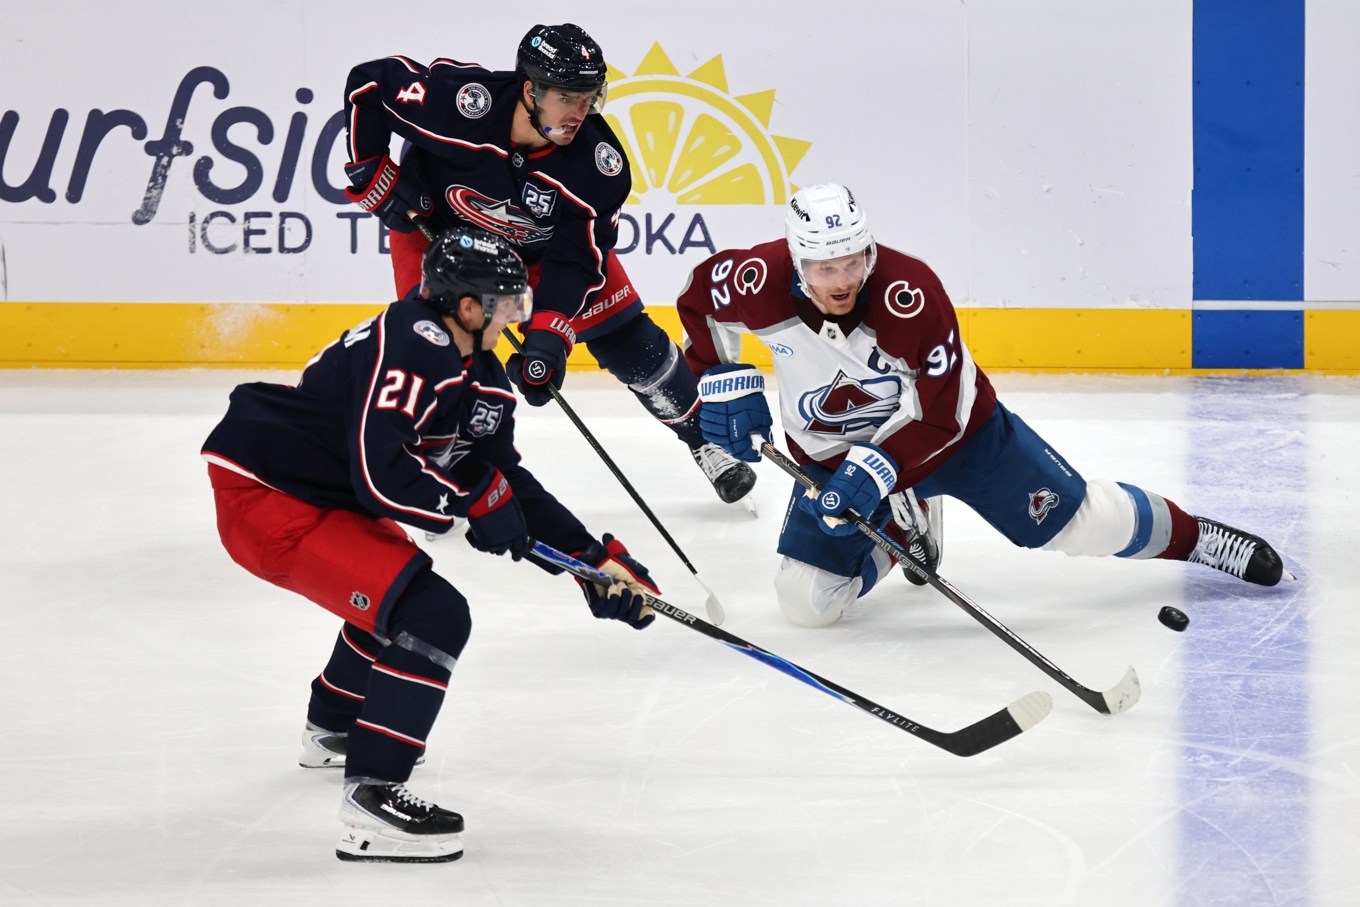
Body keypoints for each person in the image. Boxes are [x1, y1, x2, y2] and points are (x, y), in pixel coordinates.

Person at [201, 226, 658, 862]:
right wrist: (470, 507)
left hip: (320, 494)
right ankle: (373, 801)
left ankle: (332, 724)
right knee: (432, 613)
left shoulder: (482, 373)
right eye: (507, 302)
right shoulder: (414, 342)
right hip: (271, 494)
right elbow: (380, 471)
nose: (517, 314)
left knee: (396, 591)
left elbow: (504, 482)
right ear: (467, 306)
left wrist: (592, 561)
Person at [677, 183, 1290, 627]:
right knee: (806, 604)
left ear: (869, 251)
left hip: (958, 441)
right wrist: (719, 379)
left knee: (1079, 524)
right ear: (796, 262)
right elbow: (695, 300)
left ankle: (1200, 538)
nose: (840, 280)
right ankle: (900, 533)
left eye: (852, 262)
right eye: (823, 267)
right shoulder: (756, 279)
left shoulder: (910, 293)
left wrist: (883, 468)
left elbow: (942, 415)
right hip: (834, 457)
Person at [341, 23, 756, 505]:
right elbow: (367, 85)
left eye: (589, 97)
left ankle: (703, 440)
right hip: (441, 236)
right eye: (565, 97)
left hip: (541, 251)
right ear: (528, 90)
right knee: (435, 342)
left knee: (628, 341)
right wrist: (368, 165)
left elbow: (577, 259)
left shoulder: (598, 166)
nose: (579, 112)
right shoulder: (459, 105)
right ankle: (441, 453)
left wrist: (549, 335)